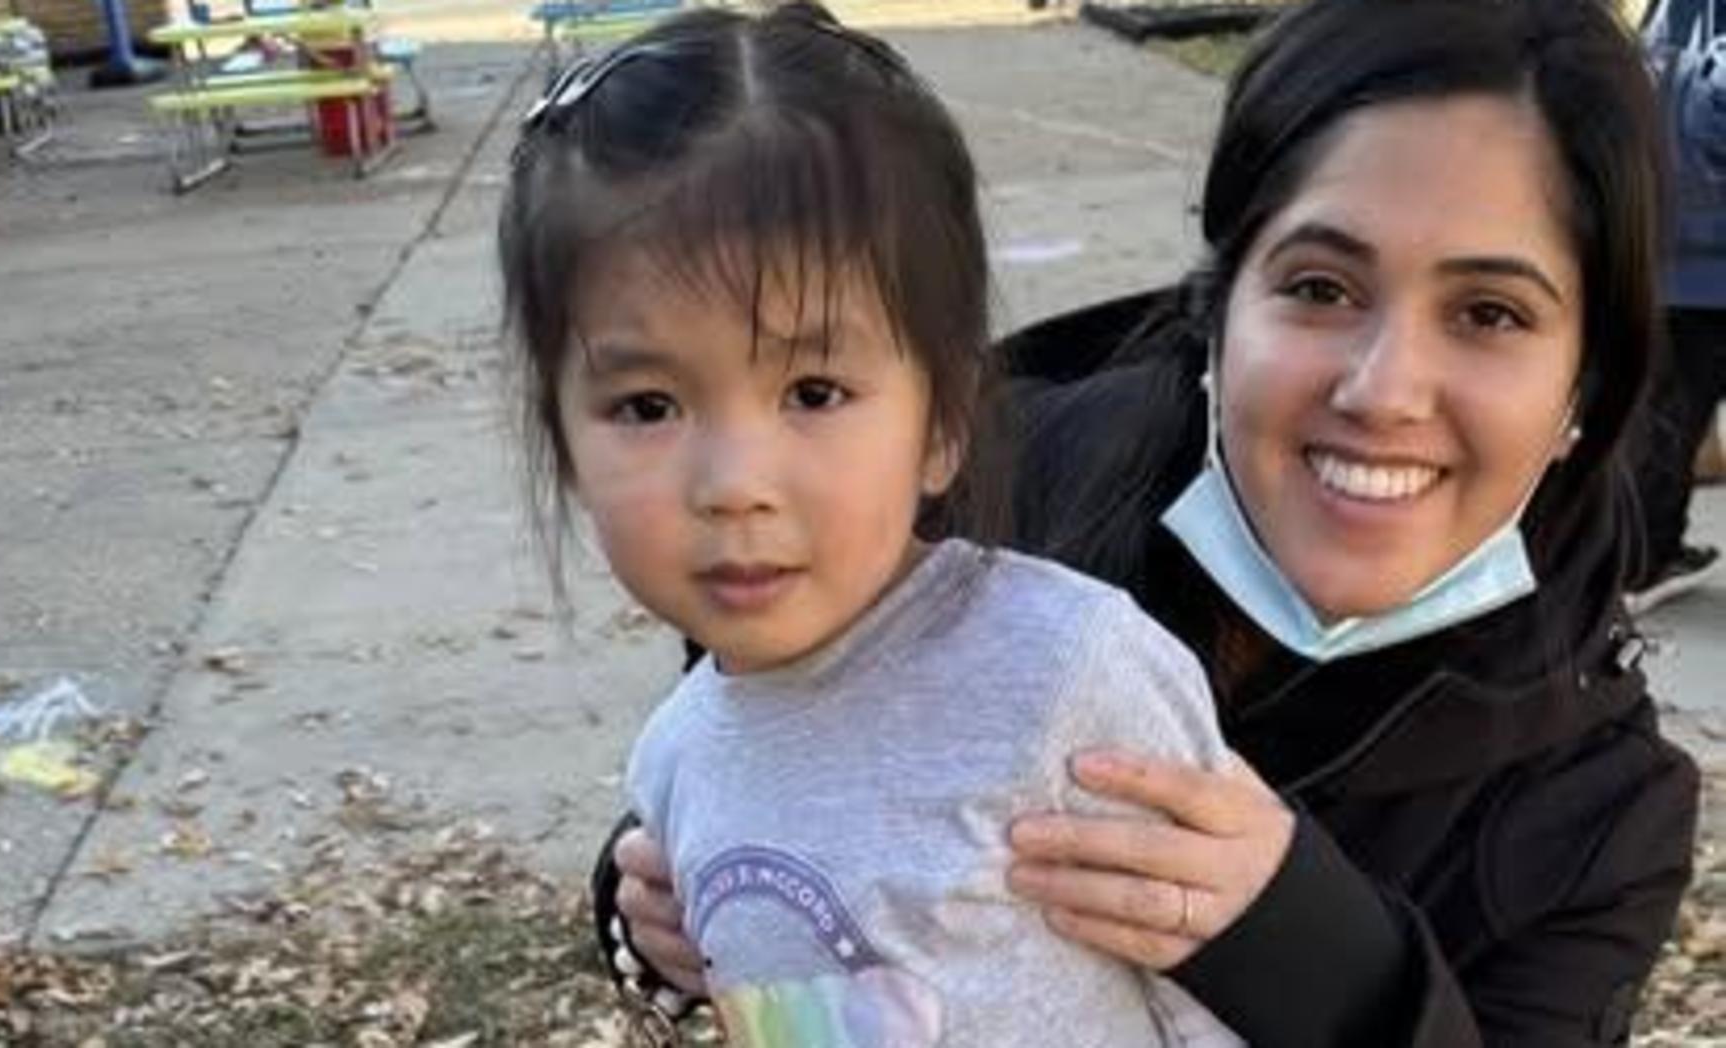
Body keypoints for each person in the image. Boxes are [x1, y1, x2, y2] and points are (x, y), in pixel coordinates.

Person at [596, 0, 1704, 1044]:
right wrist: (648, 901)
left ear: (1582, 385)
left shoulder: (1597, 814)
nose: (1382, 389)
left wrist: (1308, 943)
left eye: (1487, 313)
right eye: (1319, 287)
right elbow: (747, 719)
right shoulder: (964, 491)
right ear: (1219, 301)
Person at [500, 4, 1244, 1044]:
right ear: (565, 440)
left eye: (811, 391)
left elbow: (1222, 996)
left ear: (940, 418)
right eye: (647, 407)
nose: (732, 483)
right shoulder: (675, 759)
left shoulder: (1067, 675)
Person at [1629, 0, 1726, 613]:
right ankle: (1647, 559)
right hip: (1711, 263)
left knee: (1664, 421)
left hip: (1664, 257)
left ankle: (1645, 558)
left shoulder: (1666, 13)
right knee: (1667, 424)